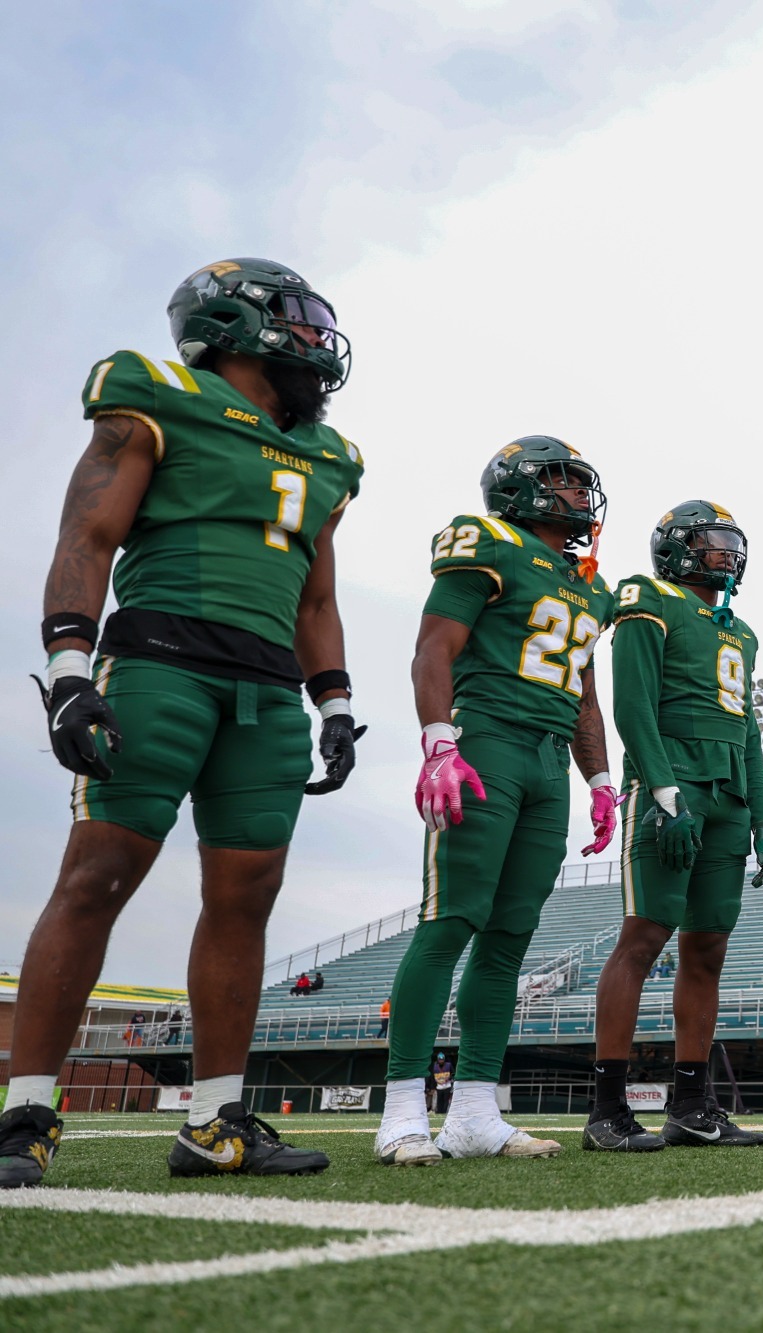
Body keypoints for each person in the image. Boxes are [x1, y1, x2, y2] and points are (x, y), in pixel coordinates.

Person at [1, 261, 362, 1186]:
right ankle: (24, 1114)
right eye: (298, 319)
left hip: (267, 690)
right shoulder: (157, 396)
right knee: (97, 875)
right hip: (161, 662)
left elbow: (317, 596)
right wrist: (69, 670)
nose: (316, 338)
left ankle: (215, 1123)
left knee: (246, 899)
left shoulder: (328, 455)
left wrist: (334, 701)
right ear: (234, 322)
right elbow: (87, 536)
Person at [371, 437, 618, 1168]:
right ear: (521, 487)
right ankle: (402, 1111)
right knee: (451, 919)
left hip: (548, 760)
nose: (579, 495)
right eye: (563, 480)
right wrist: (438, 743)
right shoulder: (486, 541)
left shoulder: (589, 585)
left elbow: (583, 692)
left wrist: (600, 780)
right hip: (486, 742)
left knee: (510, 937)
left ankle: (475, 1112)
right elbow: (433, 647)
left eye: (581, 482)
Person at [583, 503, 763, 1151]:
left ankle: (691, 1106)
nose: (726, 552)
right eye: (712, 540)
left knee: (708, 950)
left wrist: (762, 815)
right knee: (642, 938)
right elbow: (632, 706)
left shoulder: (740, 631)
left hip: (728, 798)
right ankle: (607, 1110)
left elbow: (747, 731)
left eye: (730, 541)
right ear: (676, 547)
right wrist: (664, 792)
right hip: (672, 784)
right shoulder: (648, 598)